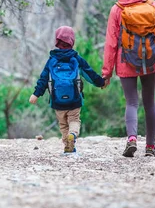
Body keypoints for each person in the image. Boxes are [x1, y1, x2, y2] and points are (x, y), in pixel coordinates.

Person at [102, 0, 155, 157]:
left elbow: (111, 42)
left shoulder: (117, 9)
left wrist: (106, 72)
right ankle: (150, 146)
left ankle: (132, 139)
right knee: (150, 103)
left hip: (126, 62)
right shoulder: (154, 6)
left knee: (131, 103)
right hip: (151, 60)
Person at [29, 26, 106, 154]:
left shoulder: (52, 60)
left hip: (57, 101)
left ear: (57, 42)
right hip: (75, 99)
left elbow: (43, 79)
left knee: (63, 124)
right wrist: (100, 82)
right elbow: (89, 73)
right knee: (74, 120)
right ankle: (73, 135)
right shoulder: (76, 58)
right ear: (72, 41)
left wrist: (36, 94)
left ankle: (67, 146)